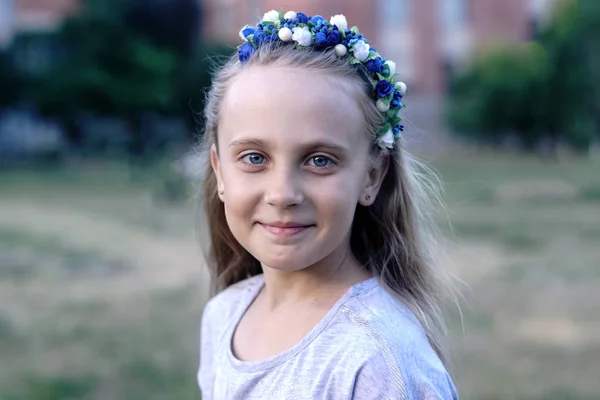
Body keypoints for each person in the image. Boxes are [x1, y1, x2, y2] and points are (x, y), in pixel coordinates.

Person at [196, 9, 459, 399]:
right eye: (254, 158)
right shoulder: (224, 316)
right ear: (220, 172)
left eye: (320, 160)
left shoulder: (377, 362)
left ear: (372, 176)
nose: (283, 194)